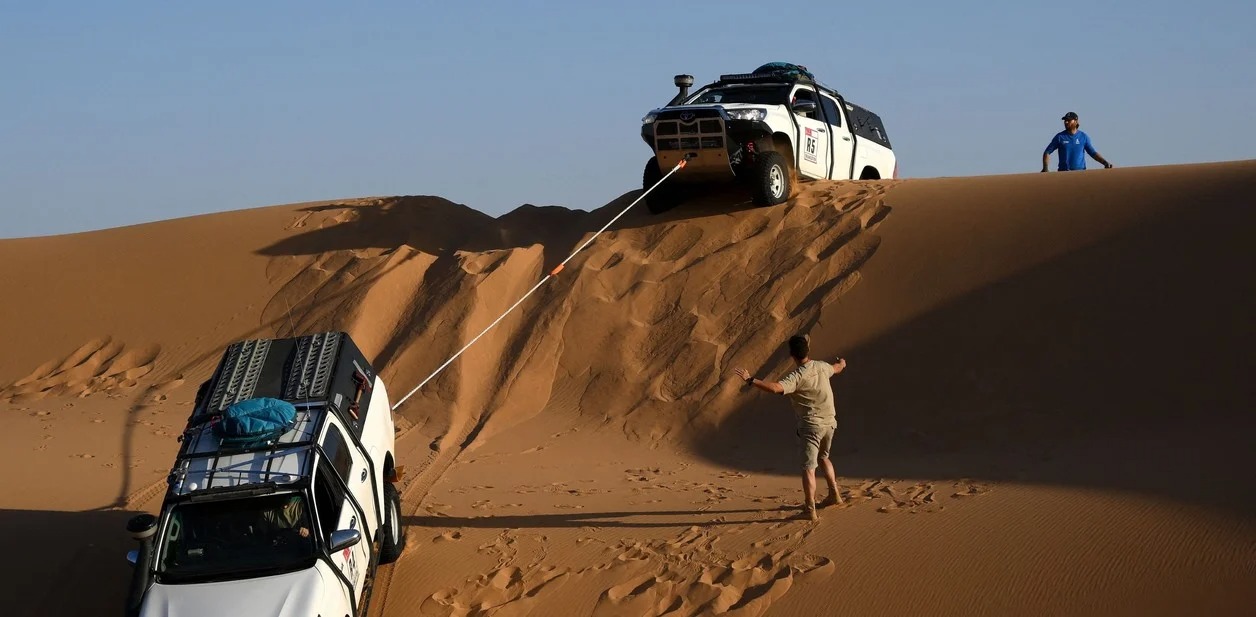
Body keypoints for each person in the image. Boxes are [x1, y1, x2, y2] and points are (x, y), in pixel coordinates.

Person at [734, 334, 846, 521]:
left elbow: (776, 388)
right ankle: (835, 494)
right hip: (830, 423)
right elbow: (838, 368)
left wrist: (750, 380)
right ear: (807, 351)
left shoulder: (797, 376)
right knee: (825, 457)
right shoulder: (822, 366)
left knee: (809, 468)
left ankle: (810, 509)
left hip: (812, 426)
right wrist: (842, 362)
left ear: (792, 355)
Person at [1042, 111, 1113, 172]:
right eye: (1065, 120)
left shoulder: (1083, 137)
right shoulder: (1059, 137)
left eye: (1069, 120)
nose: (1066, 122)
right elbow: (1047, 152)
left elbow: (1093, 153)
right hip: (1063, 173)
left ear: (1076, 122)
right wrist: (1045, 168)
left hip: (1080, 173)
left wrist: (1105, 163)